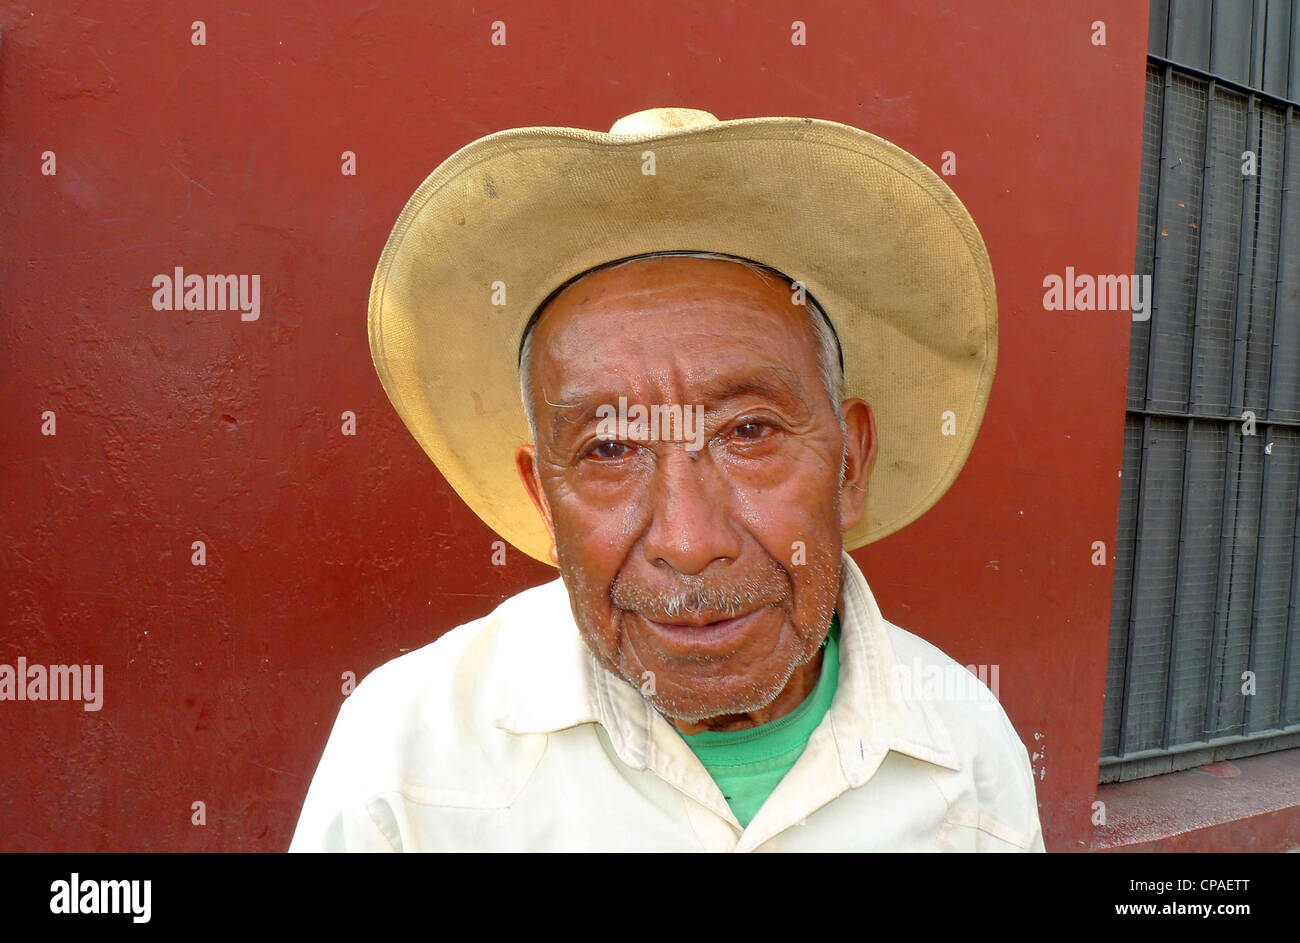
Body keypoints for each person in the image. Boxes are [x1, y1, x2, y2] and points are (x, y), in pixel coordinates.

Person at [290, 108, 1044, 851]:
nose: (688, 542)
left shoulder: (968, 757)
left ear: (851, 463)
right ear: (542, 501)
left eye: (749, 431)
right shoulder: (402, 765)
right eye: (611, 447)